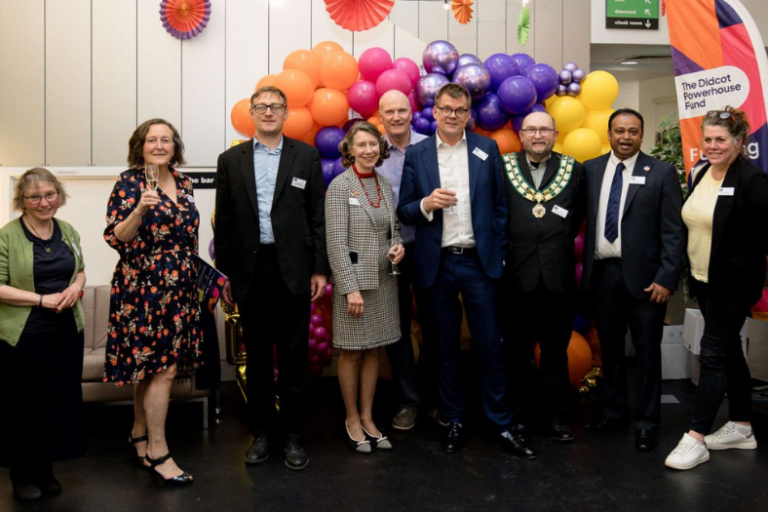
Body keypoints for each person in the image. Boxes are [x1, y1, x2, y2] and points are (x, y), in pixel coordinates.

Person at [398, 83, 534, 459]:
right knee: (443, 347)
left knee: (490, 345)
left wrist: (501, 254)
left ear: (468, 113)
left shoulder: (486, 148)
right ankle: (454, 418)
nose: (453, 115)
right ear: (435, 112)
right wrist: (426, 203)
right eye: (446, 109)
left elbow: (500, 207)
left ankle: (501, 423)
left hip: (479, 261)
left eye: (460, 109)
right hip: (436, 263)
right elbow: (404, 209)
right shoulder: (418, 153)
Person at [215, 86, 328, 471]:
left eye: (275, 107)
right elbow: (225, 222)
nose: (267, 112)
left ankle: (295, 436)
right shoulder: (230, 160)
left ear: (285, 113)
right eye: (261, 107)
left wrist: (319, 268)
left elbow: (317, 216)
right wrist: (226, 274)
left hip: (293, 270)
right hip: (250, 271)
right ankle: (262, 435)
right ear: (251, 112)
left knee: (295, 358)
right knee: (258, 359)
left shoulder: (306, 155)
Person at [665, 107, 768, 470]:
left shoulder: (753, 181)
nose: (712, 145)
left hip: (734, 284)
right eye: (707, 139)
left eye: (720, 139)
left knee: (711, 354)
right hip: (703, 279)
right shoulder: (702, 172)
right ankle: (742, 425)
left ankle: (695, 437)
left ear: (739, 143)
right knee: (728, 351)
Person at [103, 119, 200, 485]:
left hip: (181, 286)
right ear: (140, 146)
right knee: (162, 370)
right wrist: (140, 209)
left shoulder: (184, 182)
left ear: (175, 147)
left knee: (151, 368)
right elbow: (117, 238)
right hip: (143, 288)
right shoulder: (128, 183)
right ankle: (159, 451)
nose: (159, 145)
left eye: (166, 140)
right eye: (151, 140)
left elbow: (188, 237)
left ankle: (139, 433)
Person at [582, 108, 685, 452]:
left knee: (645, 355)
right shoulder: (591, 170)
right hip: (603, 276)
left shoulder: (661, 172)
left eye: (633, 131)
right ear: (608, 133)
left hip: (647, 282)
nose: (625, 137)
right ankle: (613, 414)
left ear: (642, 135)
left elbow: (674, 231)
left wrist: (666, 277)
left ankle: (646, 423)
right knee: (609, 353)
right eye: (619, 131)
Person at [0, 168, 87, 501]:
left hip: (66, 331)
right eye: (34, 196)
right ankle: (21, 474)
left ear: (59, 195)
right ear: (22, 200)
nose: (43, 202)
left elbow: (79, 270)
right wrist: (41, 299)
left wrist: (74, 290)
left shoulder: (67, 230)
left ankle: (45, 469)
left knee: (57, 403)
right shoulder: (7, 235)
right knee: (24, 405)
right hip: (24, 335)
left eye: (49, 194)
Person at [500, 112, 586, 443]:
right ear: (521, 135)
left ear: (555, 134)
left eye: (545, 130)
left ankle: (557, 417)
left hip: (558, 277)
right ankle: (520, 417)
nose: (538, 135)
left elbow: (576, 216)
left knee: (555, 352)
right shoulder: (504, 167)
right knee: (518, 353)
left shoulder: (573, 169)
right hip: (516, 277)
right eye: (532, 129)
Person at [326, 122, 404, 453]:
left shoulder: (385, 185)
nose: (369, 150)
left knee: (375, 349)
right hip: (355, 285)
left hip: (384, 280)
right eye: (362, 145)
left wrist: (398, 246)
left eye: (374, 144)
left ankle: (370, 417)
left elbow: (394, 228)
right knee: (352, 352)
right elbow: (335, 242)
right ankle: (352, 418)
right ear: (350, 150)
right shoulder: (339, 187)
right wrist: (349, 288)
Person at [376, 90, 430, 431]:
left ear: (411, 113)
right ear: (379, 117)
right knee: (396, 332)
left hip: (426, 248)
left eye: (401, 110)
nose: (396, 116)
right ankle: (409, 402)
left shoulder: (429, 146)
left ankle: (438, 399)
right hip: (387, 253)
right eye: (389, 112)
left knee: (437, 326)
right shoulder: (371, 151)